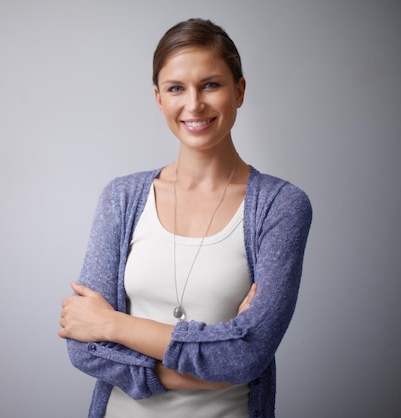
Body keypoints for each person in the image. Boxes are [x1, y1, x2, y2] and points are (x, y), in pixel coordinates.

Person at [58, 18, 312, 418]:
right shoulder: (121, 199)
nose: (194, 104)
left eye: (211, 84)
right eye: (176, 88)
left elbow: (248, 353)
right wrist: (210, 367)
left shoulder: (281, 207)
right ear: (159, 98)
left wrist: (111, 325)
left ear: (239, 91)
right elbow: (82, 346)